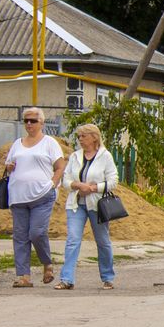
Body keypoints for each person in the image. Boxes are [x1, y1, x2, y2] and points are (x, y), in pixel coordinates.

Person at [6, 106, 66, 288]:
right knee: (20, 236)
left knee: (37, 233)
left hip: (42, 195)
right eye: (26, 121)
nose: (29, 124)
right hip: (18, 196)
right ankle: (24, 275)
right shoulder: (17, 143)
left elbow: (60, 166)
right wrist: (10, 166)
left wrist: (53, 183)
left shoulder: (49, 142)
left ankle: (47, 263)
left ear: (42, 123)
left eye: (33, 120)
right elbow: (9, 163)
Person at [55, 123, 118, 291]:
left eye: (83, 136)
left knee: (102, 241)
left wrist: (93, 188)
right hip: (76, 204)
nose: (80, 140)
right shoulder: (75, 156)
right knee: (72, 240)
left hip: (97, 205)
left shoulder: (105, 156)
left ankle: (107, 277)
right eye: (79, 137)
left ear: (94, 137)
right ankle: (66, 279)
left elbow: (113, 181)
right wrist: (78, 185)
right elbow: (66, 181)